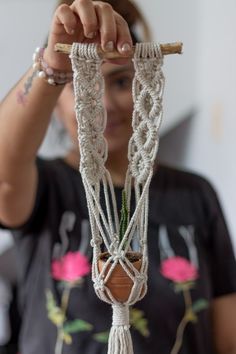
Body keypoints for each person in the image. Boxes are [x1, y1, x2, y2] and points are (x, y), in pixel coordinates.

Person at [0, 0, 236, 353]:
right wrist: (54, 66)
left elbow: (227, 336)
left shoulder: (196, 194)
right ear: (58, 100)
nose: (105, 104)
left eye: (122, 81)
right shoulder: (47, 187)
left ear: (143, 87)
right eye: (84, 85)